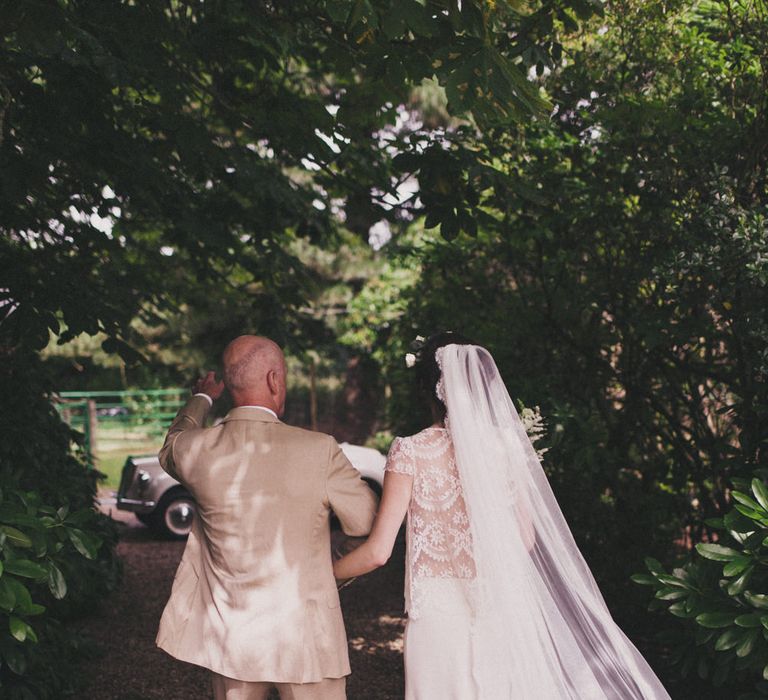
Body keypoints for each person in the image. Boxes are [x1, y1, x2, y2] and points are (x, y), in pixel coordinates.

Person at [333, 332, 671, 699]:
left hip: (439, 621)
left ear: (426, 389)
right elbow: (524, 539)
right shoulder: (506, 446)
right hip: (500, 610)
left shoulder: (409, 451)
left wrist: (323, 574)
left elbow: (379, 552)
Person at [156, 335, 378, 700]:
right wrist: (332, 569)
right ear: (275, 380)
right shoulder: (319, 450)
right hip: (306, 638)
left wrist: (202, 397)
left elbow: (173, 440)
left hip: (231, 639)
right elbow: (368, 525)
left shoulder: (193, 449)